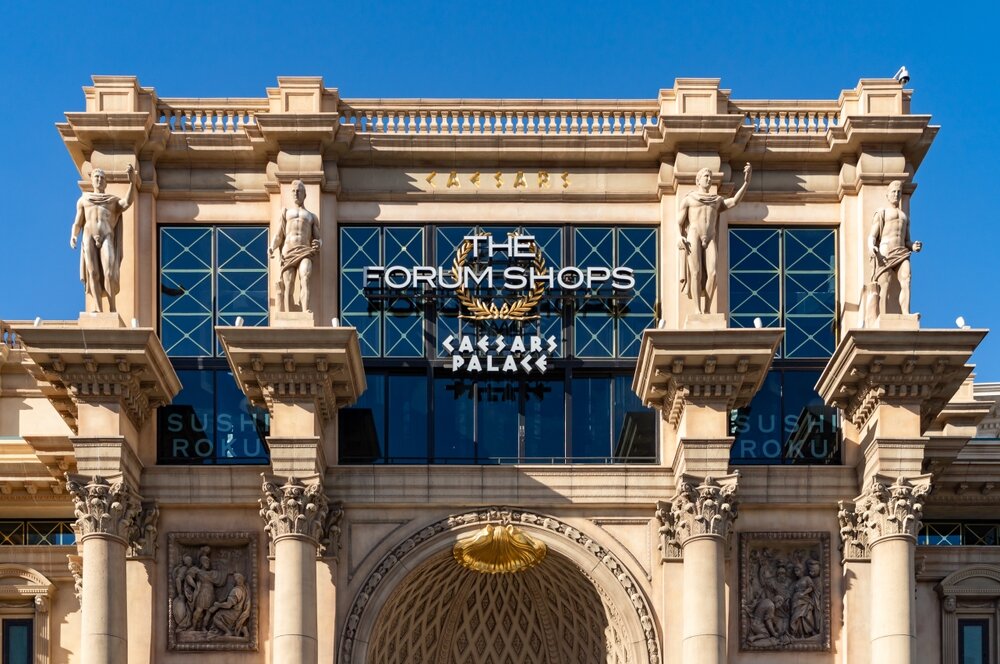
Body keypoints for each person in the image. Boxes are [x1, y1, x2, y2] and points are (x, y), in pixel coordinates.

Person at [678, 163, 752, 314]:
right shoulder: (689, 199)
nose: (709, 179)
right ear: (698, 181)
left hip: (710, 236)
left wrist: (746, 182)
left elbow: (734, 202)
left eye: (710, 176)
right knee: (696, 273)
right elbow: (678, 222)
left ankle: (707, 310)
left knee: (713, 274)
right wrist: (680, 237)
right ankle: (697, 310)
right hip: (694, 234)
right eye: (706, 176)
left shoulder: (716, 200)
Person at [69, 164, 138, 313]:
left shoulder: (112, 201)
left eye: (101, 178)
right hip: (88, 236)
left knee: (109, 272)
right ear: (92, 181)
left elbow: (126, 202)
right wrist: (74, 235)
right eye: (96, 177)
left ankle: (112, 307)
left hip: (107, 235)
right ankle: (98, 309)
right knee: (93, 273)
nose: (99, 180)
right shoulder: (84, 200)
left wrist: (132, 182)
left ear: (105, 183)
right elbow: (78, 222)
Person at [868, 180, 921, 317]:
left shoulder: (904, 216)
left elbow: (906, 239)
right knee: (885, 284)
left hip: (902, 251)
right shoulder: (882, 213)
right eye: (893, 192)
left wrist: (913, 246)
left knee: (906, 279)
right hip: (885, 251)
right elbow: (873, 235)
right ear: (888, 195)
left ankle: (905, 313)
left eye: (898, 192)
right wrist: (871, 246)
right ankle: (882, 315)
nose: (896, 194)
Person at [270, 180, 321, 313]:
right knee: (288, 283)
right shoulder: (286, 213)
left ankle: (305, 310)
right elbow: (279, 235)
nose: (296, 193)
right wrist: (272, 246)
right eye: (293, 191)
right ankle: (287, 313)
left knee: (305, 277)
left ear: (305, 194)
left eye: (299, 191)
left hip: (305, 250)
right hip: (288, 251)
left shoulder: (311, 217)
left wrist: (319, 243)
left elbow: (318, 238)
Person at [206, 573, 251, 638]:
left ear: (237, 580)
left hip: (233, 613)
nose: (232, 581)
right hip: (239, 612)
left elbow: (228, 605)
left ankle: (228, 631)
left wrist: (218, 605)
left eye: (234, 579)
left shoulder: (236, 591)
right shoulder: (244, 589)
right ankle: (244, 631)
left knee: (216, 617)